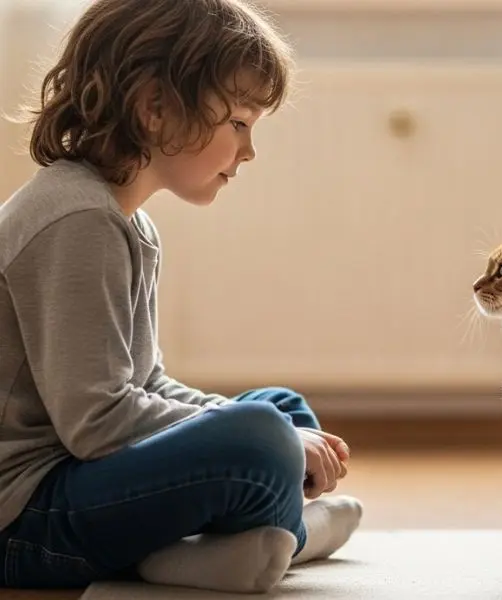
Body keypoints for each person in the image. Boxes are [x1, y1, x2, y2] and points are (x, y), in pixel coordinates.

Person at [0, 0, 362, 593]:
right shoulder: (75, 219)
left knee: (278, 408)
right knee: (262, 435)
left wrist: (262, 425)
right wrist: (260, 435)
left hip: (75, 478)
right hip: (26, 519)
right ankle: (279, 537)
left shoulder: (125, 221)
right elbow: (97, 421)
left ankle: (236, 544)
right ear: (156, 109)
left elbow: (147, 385)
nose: (249, 152)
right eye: (239, 123)